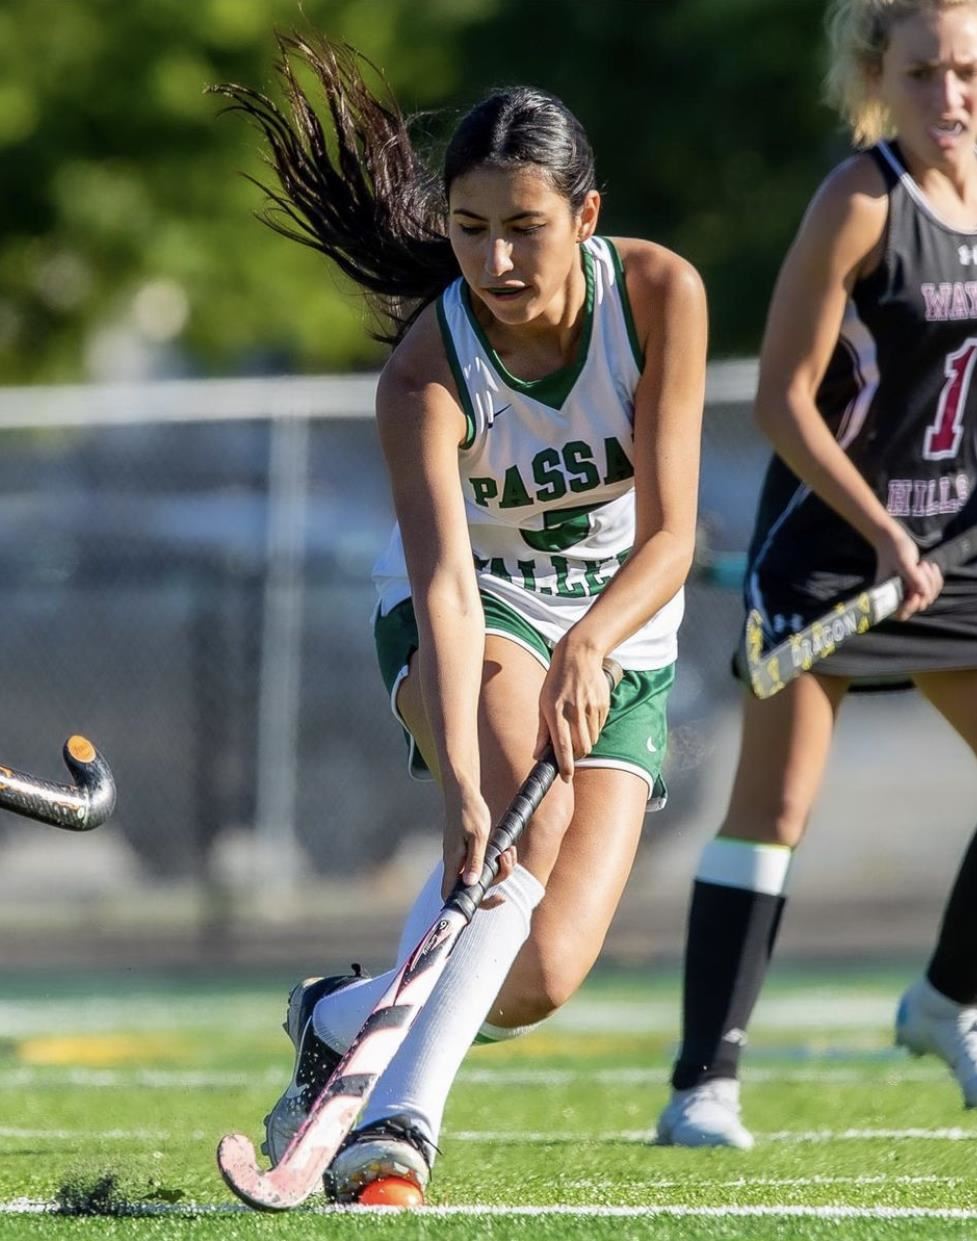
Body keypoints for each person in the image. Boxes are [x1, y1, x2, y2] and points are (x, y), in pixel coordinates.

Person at [214, 35, 706, 1199]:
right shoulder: (426, 374)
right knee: (511, 830)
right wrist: (460, 791)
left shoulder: (658, 296)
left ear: (586, 214)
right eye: (470, 227)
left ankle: (337, 1015)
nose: (493, 258)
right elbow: (442, 581)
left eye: (523, 226)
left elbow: (673, 533)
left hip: (621, 628)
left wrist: (591, 639)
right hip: (472, 611)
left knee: (537, 975)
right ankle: (395, 1136)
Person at [656, 0, 977, 1151]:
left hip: (947, 550)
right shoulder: (858, 199)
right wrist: (882, 536)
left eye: (966, 71)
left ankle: (940, 1001)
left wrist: (931, 534)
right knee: (771, 810)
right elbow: (780, 400)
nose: (950, 94)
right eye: (925, 71)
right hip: (831, 551)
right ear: (877, 78)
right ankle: (701, 1083)